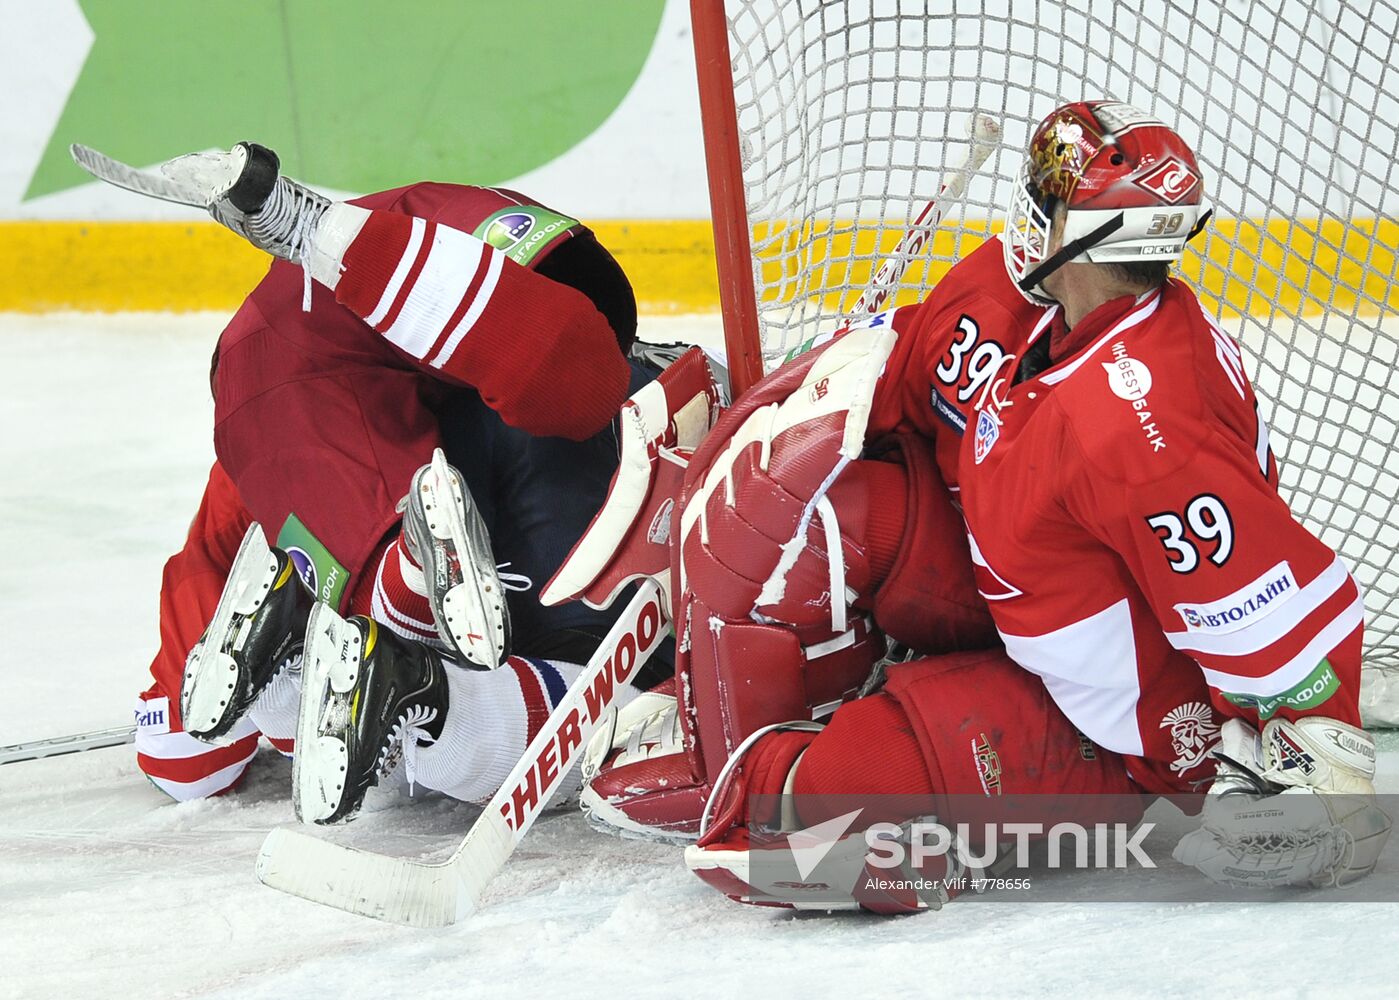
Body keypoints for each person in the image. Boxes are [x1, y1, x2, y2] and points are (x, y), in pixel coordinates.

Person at [555, 102, 1389, 902]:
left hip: (1120, 725)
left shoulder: (1145, 425)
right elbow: (898, 376)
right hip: (1016, 580)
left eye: (1046, 201)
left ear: (1100, 239)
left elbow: (1261, 603)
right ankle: (727, 738)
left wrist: (1326, 774)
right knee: (819, 507)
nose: (1025, 212)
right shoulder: (1010, 291)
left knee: (830, 807)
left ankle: (786, 777)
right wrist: (753, 431)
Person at [121, 143, 660, 817]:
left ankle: (343, 647)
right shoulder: (286, 436)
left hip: (389, 357)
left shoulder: (250, 464)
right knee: (635, 712)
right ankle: (389, 649)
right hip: (491, 277)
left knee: (220, 757)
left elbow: (184, 756)